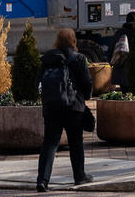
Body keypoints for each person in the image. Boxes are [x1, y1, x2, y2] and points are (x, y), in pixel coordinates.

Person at [36, 28, 94, 192]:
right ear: (73, 40)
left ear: (57, 40)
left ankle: (42, 180)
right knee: (75, 142)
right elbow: (87, 82)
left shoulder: (48, 58)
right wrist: (85, 97)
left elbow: (37, 83)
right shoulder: (79, 58)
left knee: (49, 143)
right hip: (73, 107)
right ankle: (79, 176)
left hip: (52, 107)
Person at [107, 10, 135, 90]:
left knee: (125, 95)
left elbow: (111, 48)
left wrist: (111, 62)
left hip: (122, 69)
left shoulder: (120, 32)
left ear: (127, 20)